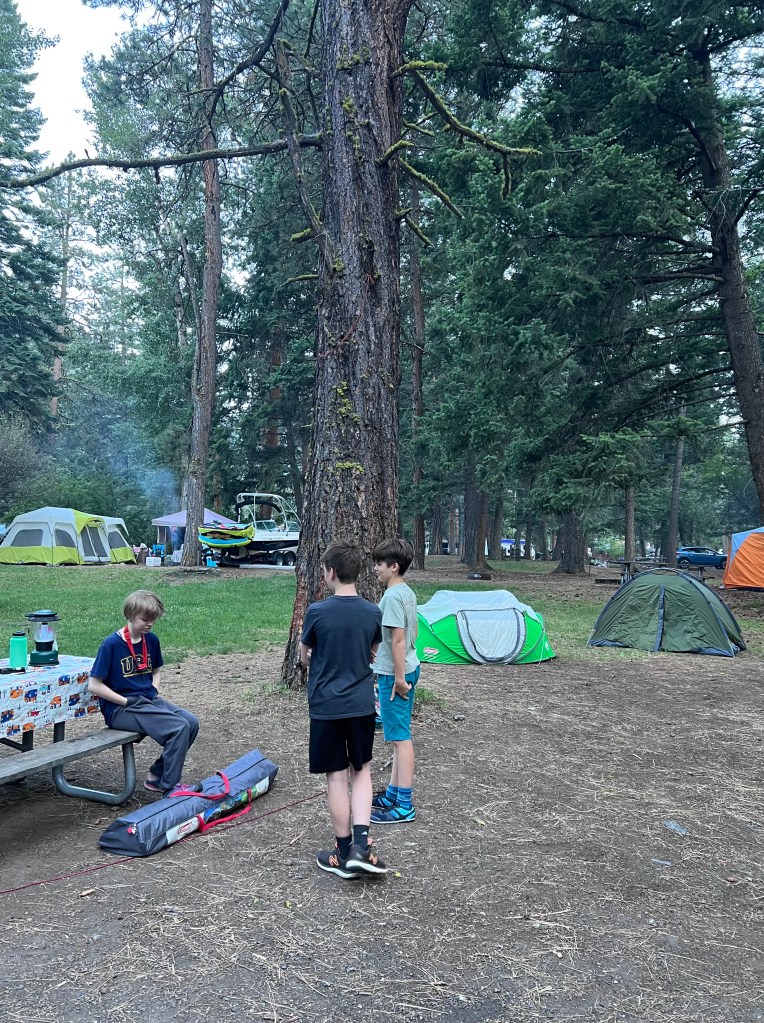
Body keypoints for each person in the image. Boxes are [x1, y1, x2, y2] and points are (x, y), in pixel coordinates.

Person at [300, 540, 387, 879]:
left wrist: (311, 658)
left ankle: (342, 850)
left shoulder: (317, 612)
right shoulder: (372, 612)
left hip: (325, 707)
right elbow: (372, 650)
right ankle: (362, 848)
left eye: (324, 571)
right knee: (361, 771)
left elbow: (304, 655)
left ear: (331, 573)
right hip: (361, 706)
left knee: (336, 776)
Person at [87, 589, 199, 794]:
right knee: (179, 727)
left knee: (191, 722)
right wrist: (125, 702)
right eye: (145, 619)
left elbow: (156, 670)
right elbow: (94, 685)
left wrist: (154, 689)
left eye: (153, 620)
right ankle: (170, 787)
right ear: (130, 616)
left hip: (147, 700)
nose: (149, 624)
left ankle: (157, 776)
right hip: (120, 709)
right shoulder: (111, 644)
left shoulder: (151, 640)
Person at [370, 537, 420, 824]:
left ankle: (404, 805)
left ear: (394, 566)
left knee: (401, 739)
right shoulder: (406, 592)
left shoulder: (390, 597)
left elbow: (398, 641)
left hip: (396, 676)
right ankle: (392, 793)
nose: (375, 569)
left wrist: (399, 679)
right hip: (410, 667)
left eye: (379, 564)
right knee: (397, 735)